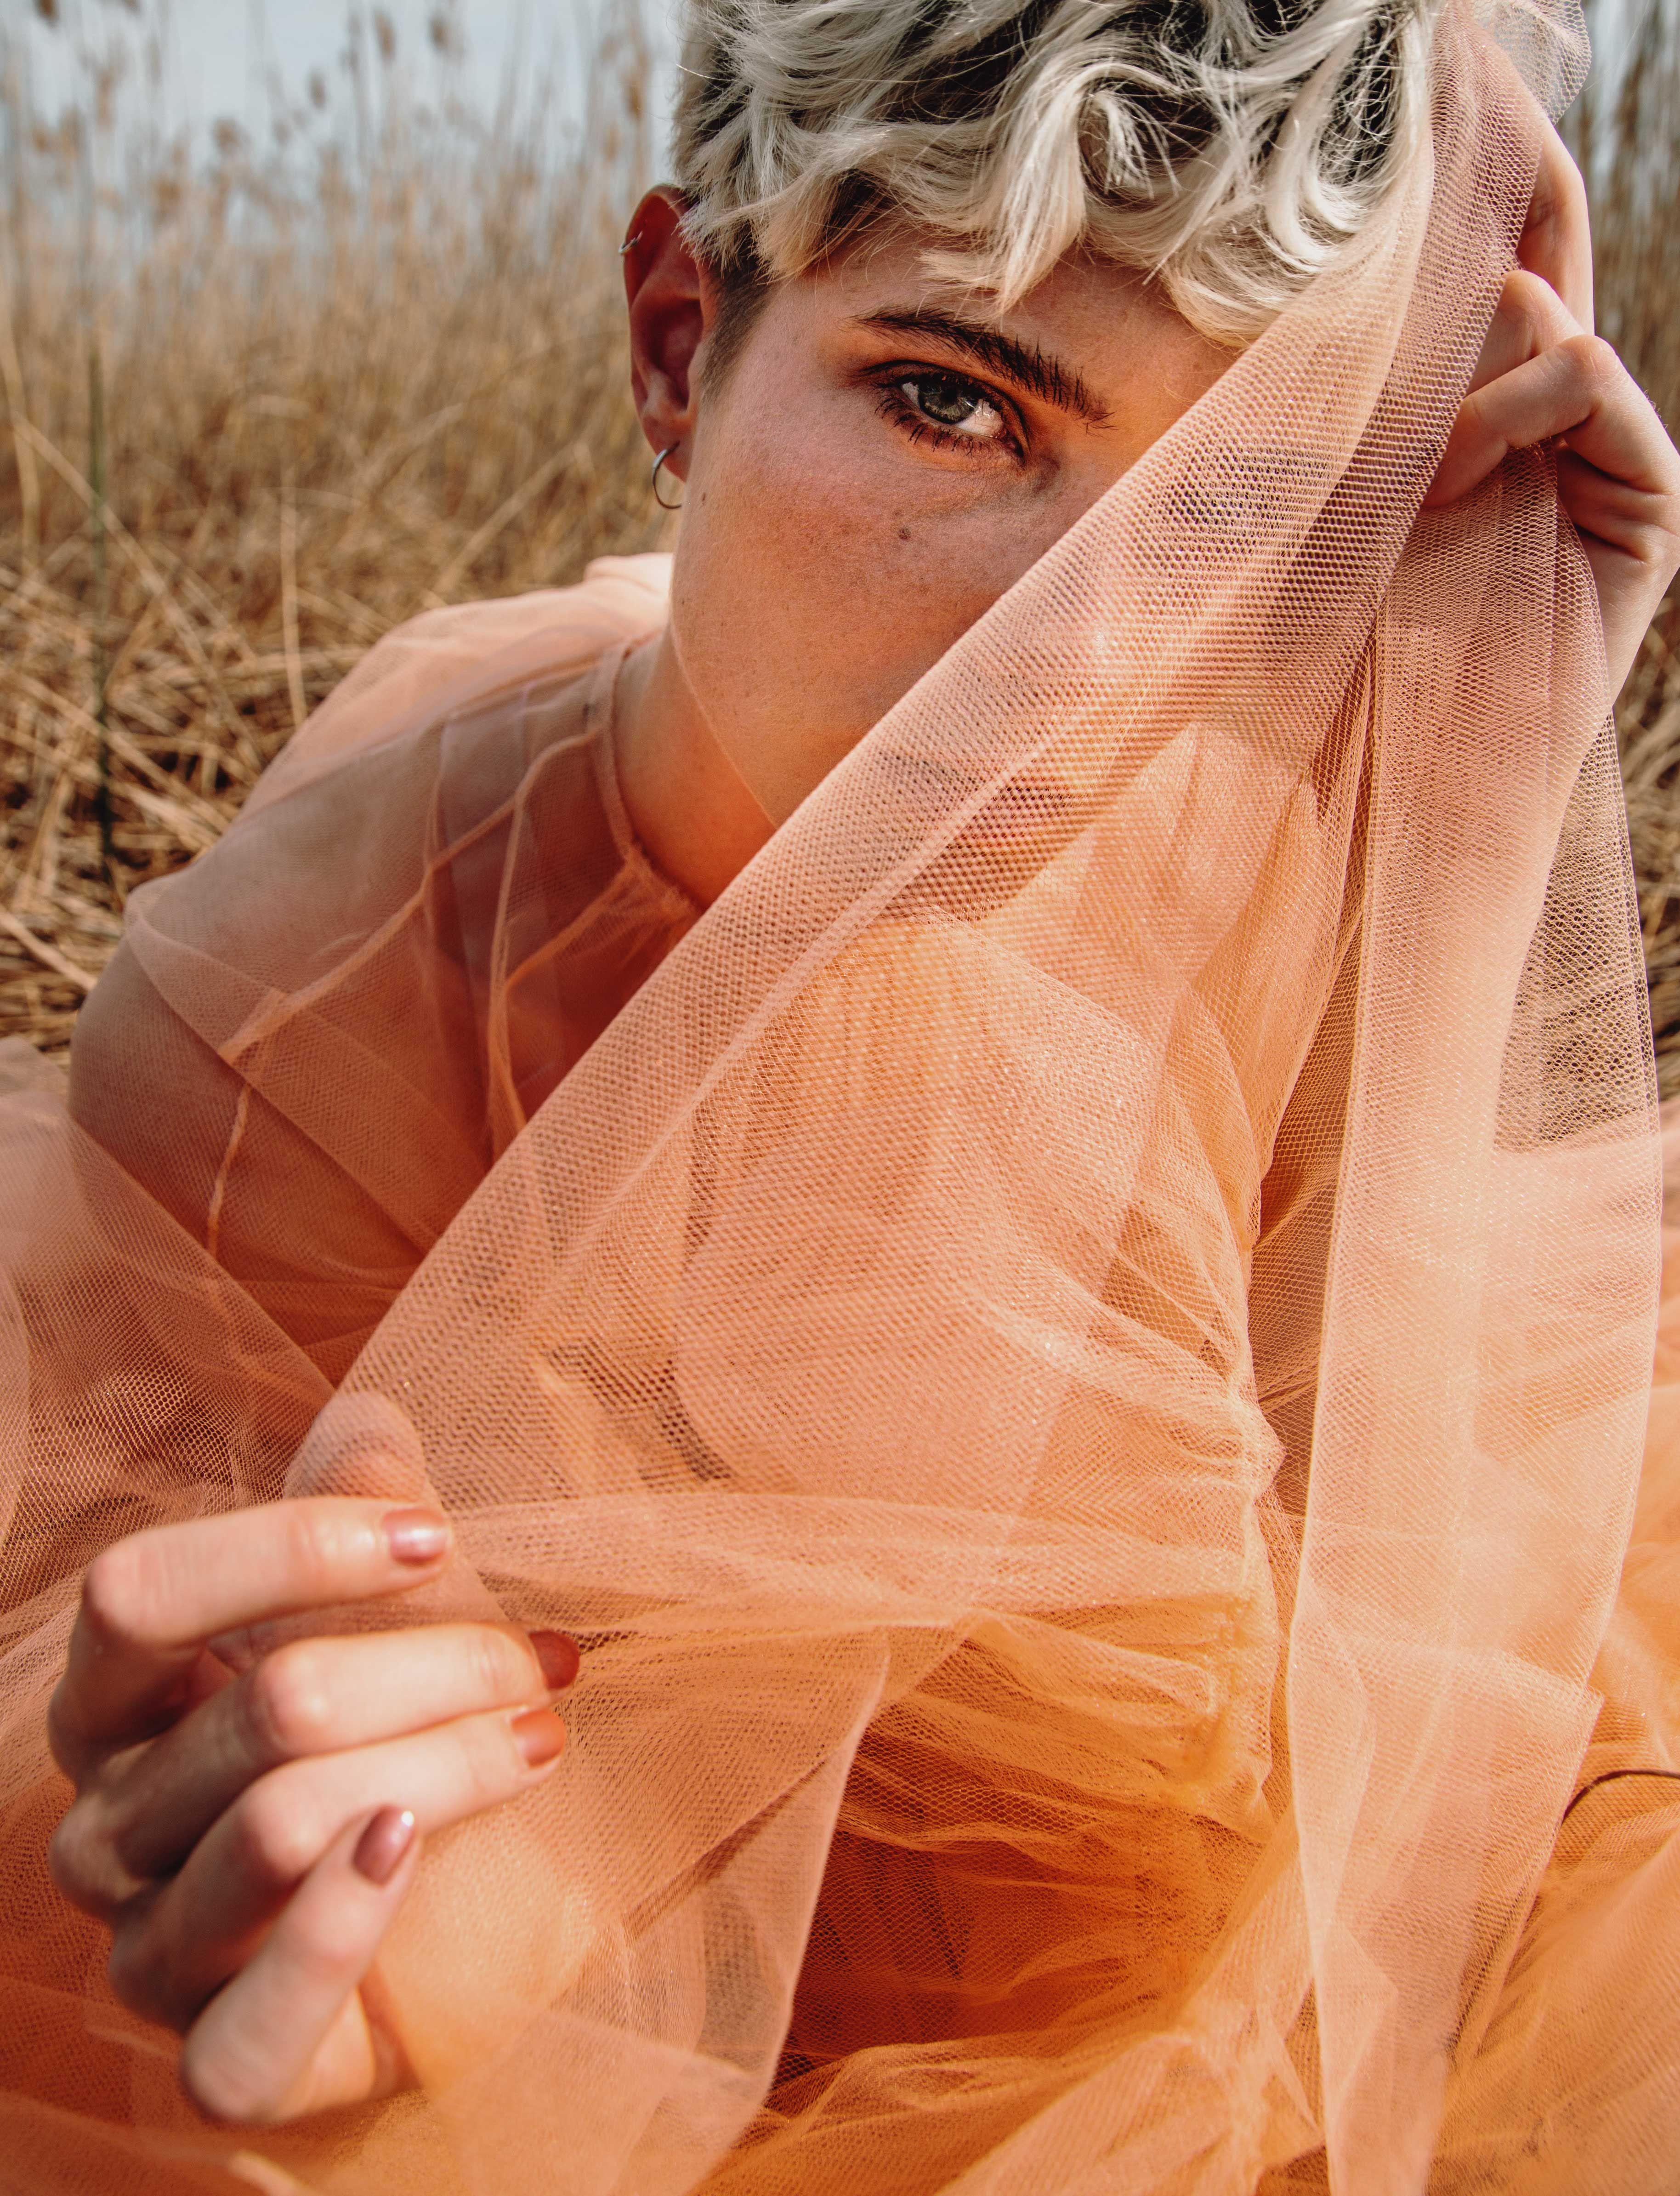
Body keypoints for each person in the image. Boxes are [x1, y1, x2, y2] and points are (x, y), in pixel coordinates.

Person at [3, 0, 1679, 2189]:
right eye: (950, 402)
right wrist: (444, 1918)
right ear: (674, 345)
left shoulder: (1252, 825)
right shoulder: (299, 1039)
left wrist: (1474, 778)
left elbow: (1388, 1693)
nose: (1079, 648)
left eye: (1240, 502)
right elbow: (309, 1842)